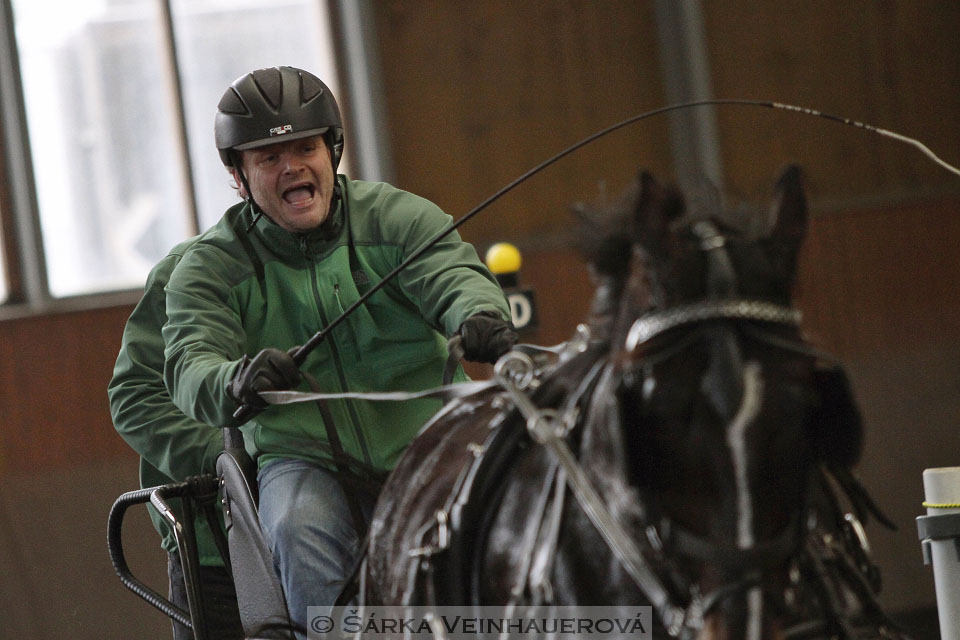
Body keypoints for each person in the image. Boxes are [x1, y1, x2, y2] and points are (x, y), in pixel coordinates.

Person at [161, 66, 516, 636]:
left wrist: (479, 316)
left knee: (519, 505)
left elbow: (452, 274)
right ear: (239, 177)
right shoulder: (207, 267)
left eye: (306, 148)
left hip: (433, 440)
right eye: (269, 158)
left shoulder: (397, 217)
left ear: (333, 151)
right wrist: (234, 380)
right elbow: (187, 361)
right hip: (303, 458)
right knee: (297, 526)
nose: (292, 166)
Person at [108, 238, 244, 640]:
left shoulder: (372, 240)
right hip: (217, 544)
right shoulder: (186, 269)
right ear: (240, 179)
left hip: (358, 526)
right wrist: (229, 458)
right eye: (266, 167)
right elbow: (134, 398)